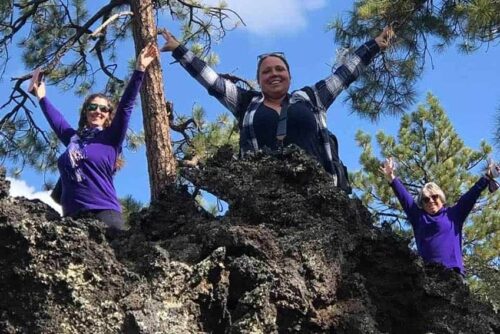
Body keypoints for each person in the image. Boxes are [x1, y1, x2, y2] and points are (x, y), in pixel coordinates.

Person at [159, 27, 394, 187]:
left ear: (289, 77)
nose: (274, 74)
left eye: (279, 69)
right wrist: (180, 50)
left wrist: (374, 45)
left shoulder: (311, 98)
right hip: (266, 195)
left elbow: (344, 74)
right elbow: (212, 81)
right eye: (266, 71)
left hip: (320, 193)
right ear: (259, 80)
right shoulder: (246, 104)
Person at [29, 43, 159, 230]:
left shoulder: (111, 138)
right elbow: (57, 122)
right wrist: (41, 96)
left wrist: (140, 69)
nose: (97, 111)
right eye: (92, 107)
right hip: (72, 218)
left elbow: (126, 107)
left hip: (105, 214)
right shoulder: (74, 140)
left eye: (103, 108)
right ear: (85, 112)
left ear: (108, 115)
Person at [379, 157, 499, 275]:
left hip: (453, 273)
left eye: (434, 197)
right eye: (426, 199)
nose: (431, 201)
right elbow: (405, 198)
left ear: (441, 198)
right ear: (422, 203)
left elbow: (470, 196)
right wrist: (391, 178)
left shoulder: (453, 215)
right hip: (428, 277)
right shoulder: (419, 217)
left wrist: (487, 178)